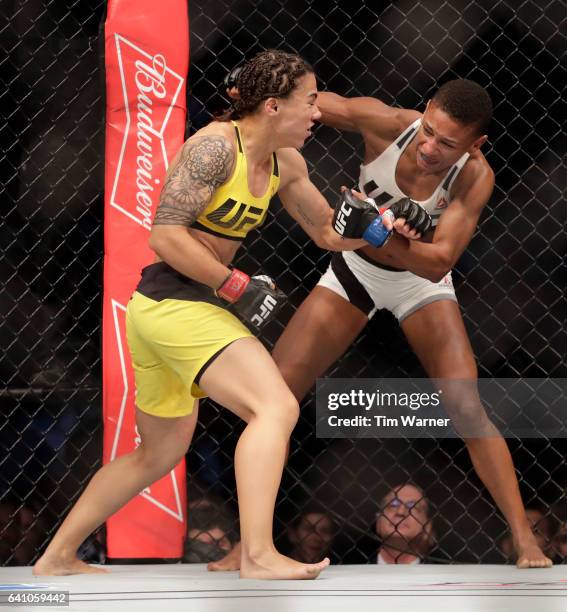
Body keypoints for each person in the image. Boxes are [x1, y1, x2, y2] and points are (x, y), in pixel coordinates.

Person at [32, 49, 372, 580]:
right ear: (273, 106)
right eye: (309, 101)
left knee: (159, 452)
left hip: (172, 310)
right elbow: (165, 235)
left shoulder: (286, 163)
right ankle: (257, 554)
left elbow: (329, 232)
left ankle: (56, 557)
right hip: (175, 303)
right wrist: (234, 284)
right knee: (276, 407)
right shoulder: (213, 150)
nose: (317, 113)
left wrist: (375, 224)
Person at [209, 78, 553, 571]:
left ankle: (525, 541)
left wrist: (371, 230)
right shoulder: (387, 124)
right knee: (276, 395)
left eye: (448, 144)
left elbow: (438, 262)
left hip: (420, 283)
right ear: (426, 109)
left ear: (476, 145)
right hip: (355, 270)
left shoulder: (475, 176)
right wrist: (253, 105)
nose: (431, 148)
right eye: (429, 131)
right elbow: (309, 106)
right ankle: (249, 544)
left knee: (465, 406)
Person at [374, 484, 436, 564]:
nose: (401, 512)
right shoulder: (354, 566)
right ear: (378, 521)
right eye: (393, 505)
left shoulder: (444, 574)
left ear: (427, 527)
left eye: (412, 506)